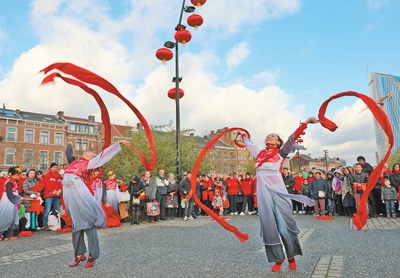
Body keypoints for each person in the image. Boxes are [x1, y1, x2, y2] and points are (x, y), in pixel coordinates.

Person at [241, 117, 316, 272]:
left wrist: (306, 123)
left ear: (277, 142)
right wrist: (243, 135)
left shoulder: (281, 153)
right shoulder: (260, 153)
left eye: (272, 135)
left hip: (279, 194)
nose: (269, 136)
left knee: (283, 227)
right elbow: (249, 144)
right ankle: (278, 258)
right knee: (269, 227)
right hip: (264, 195)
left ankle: (291, 256)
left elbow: (291, 139)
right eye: (268, 135)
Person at [64, 140, 129, 268]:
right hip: (68, 192)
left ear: (92, 157)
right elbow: (68, 153)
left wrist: (119, 143)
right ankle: (79, 254)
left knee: (88, 223)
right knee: (76, 224)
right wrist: (70, 143)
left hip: (80, 192)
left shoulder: (90, 163)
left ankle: (92, 255)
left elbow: (104, 155)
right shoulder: (74, 163)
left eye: (90, 151)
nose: (87, 150)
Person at [0, 167, 27, 240]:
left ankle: (9, 235)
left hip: (12, 202)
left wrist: (19, 197)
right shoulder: (9, 182)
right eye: (17, 175)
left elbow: (14, 193)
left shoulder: (13, 181)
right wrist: (19, 198)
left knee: (13, 217)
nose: (19, 176)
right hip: (7, 202)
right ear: (12, 175)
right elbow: (9, 194)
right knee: (5, 217)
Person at [35, 162, 63, 230]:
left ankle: (57, 223)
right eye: (54, 167)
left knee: (57, 210)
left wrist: (60, 190)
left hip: (57, 196)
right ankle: (45, 224)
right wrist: (54, 191)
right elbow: (46, 186)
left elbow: (61, 184)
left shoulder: (59, 176)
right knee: (47, 210)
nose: (55, 169)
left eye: (56, 167)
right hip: (49, 196)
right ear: (50, 168)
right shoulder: (47, 176)